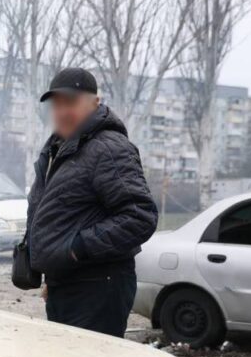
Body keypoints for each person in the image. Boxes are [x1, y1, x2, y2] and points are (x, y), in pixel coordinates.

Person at [26, 68, 158, 338]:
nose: (63, 111)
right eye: (57, 104)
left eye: (71, 102)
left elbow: (140, 216)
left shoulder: (109, 148)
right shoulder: (59, 150)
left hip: (98, 288)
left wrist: (78, 249)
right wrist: (54, 272)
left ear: (95, 103)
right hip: (68, 284)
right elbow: (63, 216)